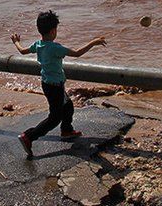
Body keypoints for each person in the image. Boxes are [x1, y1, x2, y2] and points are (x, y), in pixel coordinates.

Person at [11, 10, 106, 158]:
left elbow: (23, 51)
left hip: (47, 84)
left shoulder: (38, 44)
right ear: (53, 30)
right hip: (55, 86)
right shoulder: (55, 48)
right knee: (54, 117)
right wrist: (94, 42)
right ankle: (29, 136)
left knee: (68, 106)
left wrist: (16, 41)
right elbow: (77, 53)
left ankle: (66, 130)